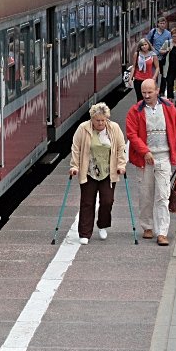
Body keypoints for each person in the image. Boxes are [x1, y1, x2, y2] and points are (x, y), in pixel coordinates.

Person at [124, 78, 176, 247]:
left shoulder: (168, 108)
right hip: (145, 160)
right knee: (146, 195)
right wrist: (145, 152)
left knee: (163, 195)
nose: (146, 95)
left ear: (157, 90)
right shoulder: (135, 111)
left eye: (149, 92)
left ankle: (162, 232)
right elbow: (131, 134)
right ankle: (147, 226)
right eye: (144, 92)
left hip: (164, 158)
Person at [68, 103, 128, 245]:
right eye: (97, 120)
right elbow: (76, 148)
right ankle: (84, 233)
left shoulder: (114, 128)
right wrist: (74, 166)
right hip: (89, 171)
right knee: (87, 202)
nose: (101, 123)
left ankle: (102, 225)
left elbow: (121, 148)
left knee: (108, 201)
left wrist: (121, 165)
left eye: (103, 120)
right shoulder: (83, 129)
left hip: (108, 171)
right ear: (92, 119)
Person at [131, 38, 160, 102]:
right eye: (142, 45)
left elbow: (157, 67)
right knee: (139, 99)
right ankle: (140, 111)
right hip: (138, 79)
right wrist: (130, 79)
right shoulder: (137, 54)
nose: (144, 46)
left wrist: (154, 77)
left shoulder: (153, 55)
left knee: (148, 98)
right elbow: (134, 67)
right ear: (140, 47)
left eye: (145, 44)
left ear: (148, 45)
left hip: (149, 80)